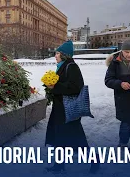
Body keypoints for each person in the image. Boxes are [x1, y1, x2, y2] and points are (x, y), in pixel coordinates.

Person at [45, 41, 99, 174]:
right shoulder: (62, 66)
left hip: (68, 110)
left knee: (77, 140)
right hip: (61, 109)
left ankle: (94, 160)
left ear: (64, 55)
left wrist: (55, 87)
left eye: (57, 53)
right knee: (59, 138)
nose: (55, 55)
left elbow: (76, 87)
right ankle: (58, 165)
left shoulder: (71, 67)